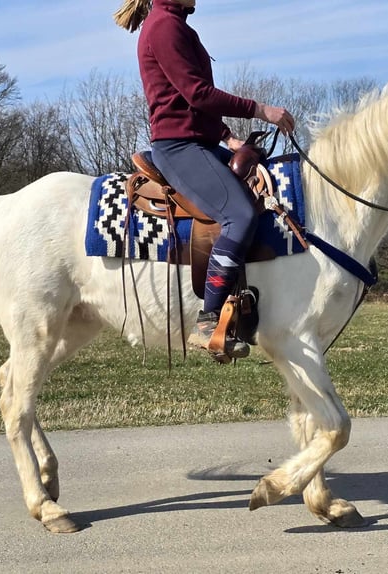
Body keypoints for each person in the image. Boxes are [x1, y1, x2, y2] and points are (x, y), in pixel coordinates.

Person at [114, 0, 295, 359]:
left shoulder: (177, 25)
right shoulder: (165, 26)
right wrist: (261, 110)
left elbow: (192, 104)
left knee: (261, 181)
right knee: (239, 215)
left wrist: (228, 138)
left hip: (200, 142)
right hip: (178, 147)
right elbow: (197, 94)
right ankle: (208, 319)